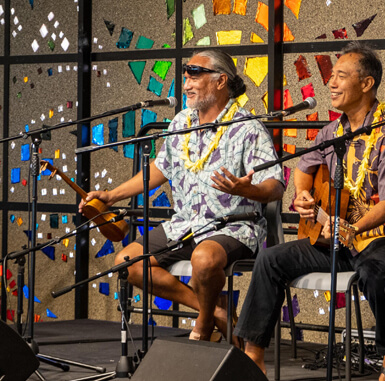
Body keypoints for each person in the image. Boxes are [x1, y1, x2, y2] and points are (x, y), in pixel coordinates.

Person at [234, 41, 385, 381]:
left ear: (366, 84)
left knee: (375, 274)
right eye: (331, 75)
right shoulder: (331, 132)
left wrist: (352, 229)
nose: (331, 83)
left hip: (383, 238)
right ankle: (252, 356)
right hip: (336, 238)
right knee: (271, 259)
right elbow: (304, 166)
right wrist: (303, 195)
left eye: (341, 76)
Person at [79, 49, 285, 344]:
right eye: (185, 76)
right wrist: (111, 196)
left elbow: (275, 185)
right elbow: (160, 169)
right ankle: (216, 311)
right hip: (186, 224)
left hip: (233, 226)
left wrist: (247, 190)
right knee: (126, 261)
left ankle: (202, 325)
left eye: (194, 75)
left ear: (220, 81)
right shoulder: (181, 123)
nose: (186, 83)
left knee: (203, 259)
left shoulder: (247, 128)